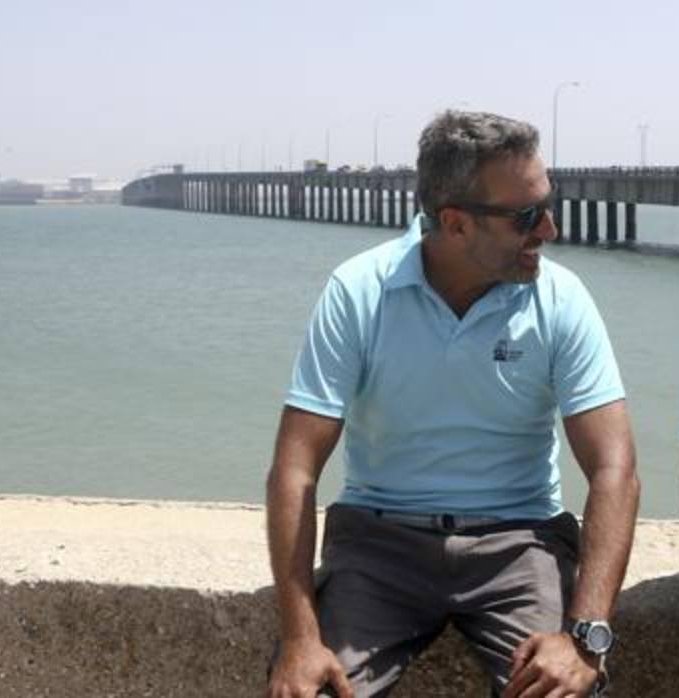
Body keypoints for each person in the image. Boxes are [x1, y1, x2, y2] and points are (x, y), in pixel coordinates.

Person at [266, 110, 639, 698]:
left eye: (548, 203)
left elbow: (615, 467)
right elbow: (295, 469)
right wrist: (298, 639)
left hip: (520, 542)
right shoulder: (358, 291)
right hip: (377, 543)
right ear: (455, 223)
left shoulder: (562, 299)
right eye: (526, 216)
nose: (550, 228)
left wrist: (585, 633)